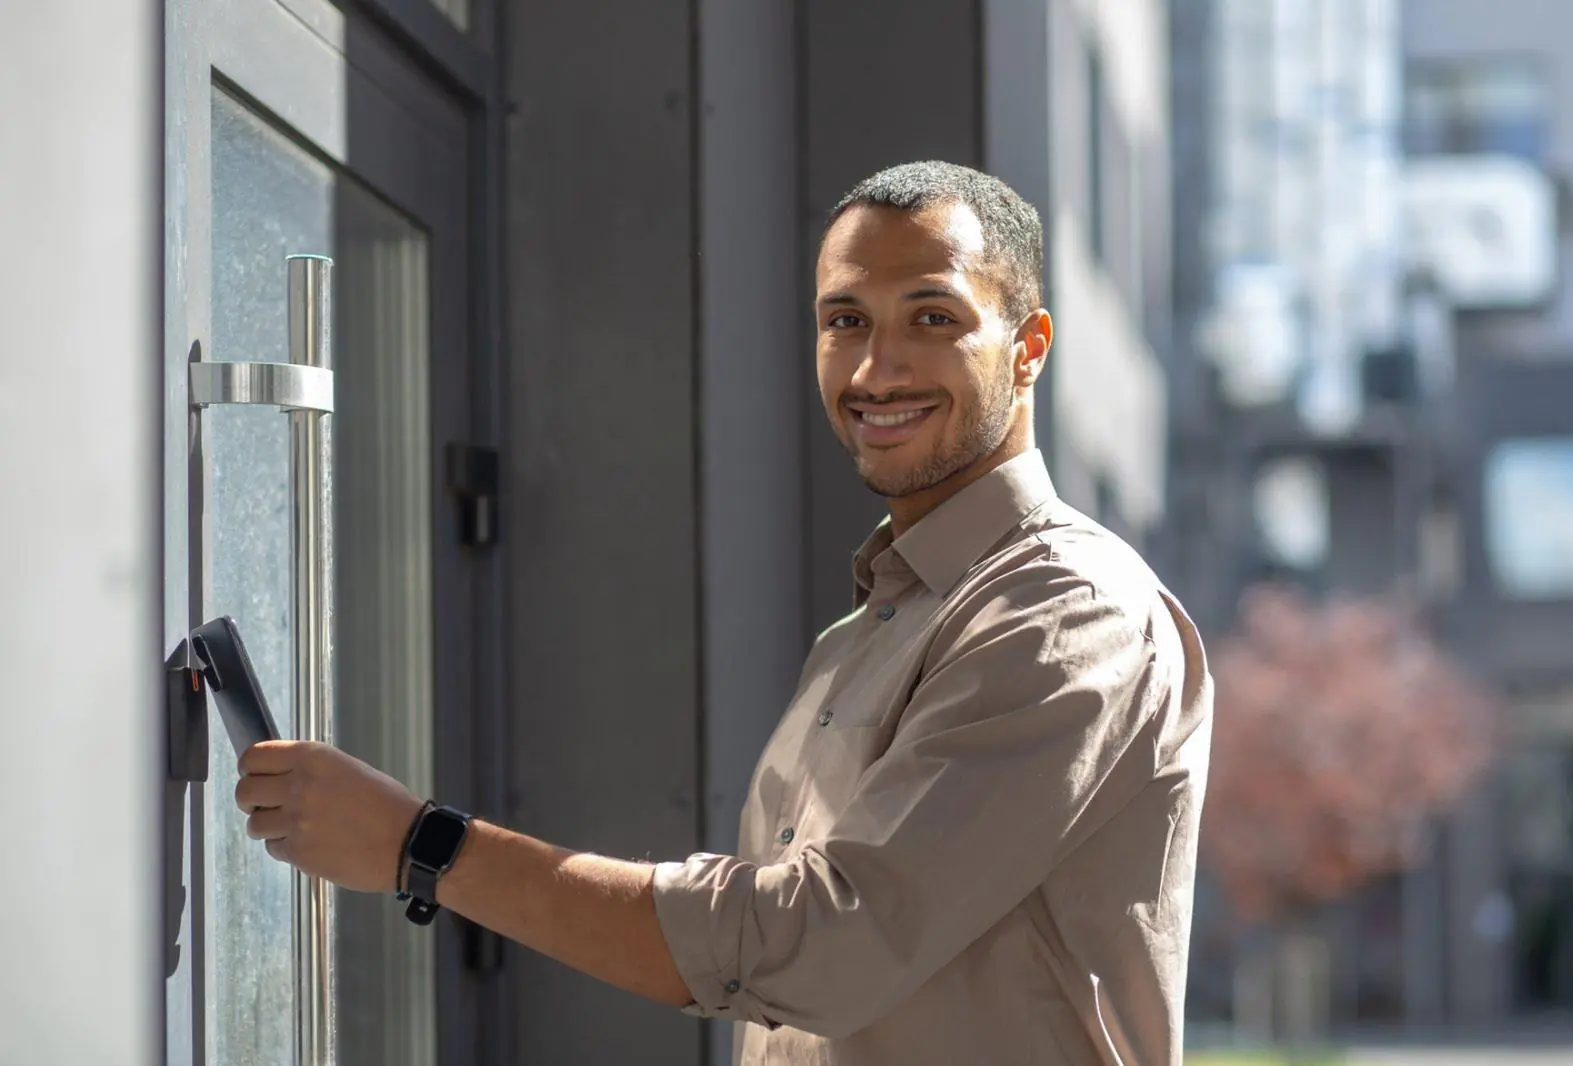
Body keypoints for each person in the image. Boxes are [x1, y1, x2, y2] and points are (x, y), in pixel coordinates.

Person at [235, 160, 1213, 1065]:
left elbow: (821, 944)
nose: (876, 369)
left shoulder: (1065, 609)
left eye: (931, 317)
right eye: (844, 320)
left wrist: (426, 847)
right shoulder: (859, 638)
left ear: (1029, 346)